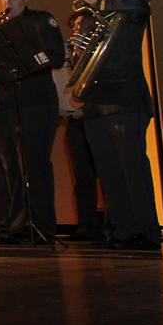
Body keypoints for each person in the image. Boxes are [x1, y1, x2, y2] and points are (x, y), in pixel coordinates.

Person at [75, 0, 159, 249]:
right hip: (95, 104)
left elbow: (140, 6)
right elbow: (83, 65)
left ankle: (146, 231)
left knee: (132, 167)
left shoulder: (127, 8)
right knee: (108, 171)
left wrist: (99, 4)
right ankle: (123, 229)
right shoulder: (87, 20)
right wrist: (78, 50)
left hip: (125, 99)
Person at [0, 0, 64, 243]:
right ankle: (16, 225)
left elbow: (56, 56)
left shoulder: (42, 20)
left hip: (37, 102)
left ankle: (42, 225)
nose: (8, 3)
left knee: (36, 165)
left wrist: (28, 55)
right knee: (12, 168)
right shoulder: (0, 28)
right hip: (7, 106)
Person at [63, 13, 105, 241]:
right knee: (82, 177)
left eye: (79, 26)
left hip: (95, 116)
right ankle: (87, 225)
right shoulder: (74, 54)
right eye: (74, 27)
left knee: (106, 173)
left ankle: (114, 224)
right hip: (76, 119)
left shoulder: (100, 50)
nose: (75, 31)